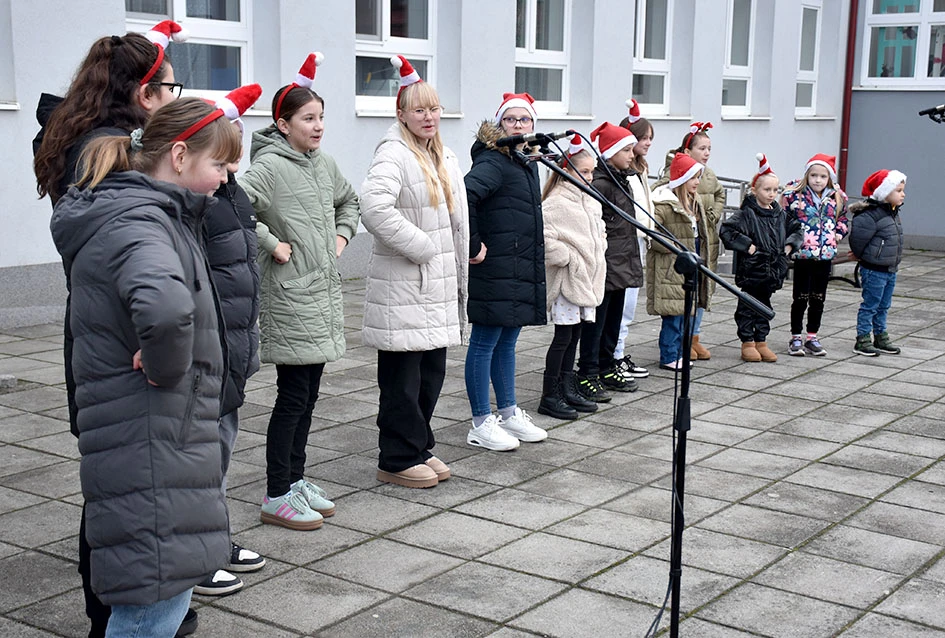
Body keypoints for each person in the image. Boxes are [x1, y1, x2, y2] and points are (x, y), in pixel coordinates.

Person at [49, 96, 243, 638]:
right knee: (151, 605)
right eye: (219, 164)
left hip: (153, 431)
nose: (226, 177)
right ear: (179, 156)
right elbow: (165, 309)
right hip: (150, 430)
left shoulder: (146, 213)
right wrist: (165, 365)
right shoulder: (140, 220)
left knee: (159, 591)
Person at [32, 20, 201, 637]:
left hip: (102, 329)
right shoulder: (111, 155)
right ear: (143, 92)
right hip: (123, 339)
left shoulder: (85, 140)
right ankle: (115, 615)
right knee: (120, 492)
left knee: (115, 486)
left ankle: (128, 607)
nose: (176, 97)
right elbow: (139, 257)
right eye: (170, 86)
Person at [240, 52, 359, 529]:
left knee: (308, 396)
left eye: (321, 117)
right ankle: (276, 492)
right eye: (308, 118)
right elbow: (232, 207)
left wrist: (341, 237)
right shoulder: (269, 166)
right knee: (291, 399)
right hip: (290, 298)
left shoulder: (322, 163)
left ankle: (295, 480)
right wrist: (272, 243)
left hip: (321, 296)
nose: (318, 126)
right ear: (282, 124)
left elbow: (350, 201)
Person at [360, 56, 469, 487]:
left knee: (430, 375)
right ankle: (397, 457)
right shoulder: (394, 153)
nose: (429, 116)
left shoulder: (441, 154)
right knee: (403, 380)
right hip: (406, 287)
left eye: (434, 108)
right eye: (419, 109)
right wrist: (421, 247)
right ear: (401, 113)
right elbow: (374, 207)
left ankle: (419, 445)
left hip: (435, 287)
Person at [193, 86, 268, 597]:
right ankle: (197, 556)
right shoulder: (197, 201)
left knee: (221, 448)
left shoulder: (231, 191)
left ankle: (215, 539)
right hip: (211, 343)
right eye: (226, 143)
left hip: (235, 342)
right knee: (201, 456)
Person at [464, 92, 549, 451]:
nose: (517, 125)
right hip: (494, 267)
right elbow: (465, 195)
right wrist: (473, 245)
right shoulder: (495, 161)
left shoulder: (525, 161)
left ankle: (509, 412)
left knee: (508, 342)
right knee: (485, 341)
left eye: (524, 119)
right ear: (499, 125)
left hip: (517, 267)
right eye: (510, 119)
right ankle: (481, 422)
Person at [538, 135, 606, 419]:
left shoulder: (590, 200)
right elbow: (544, 240)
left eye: (592, 172)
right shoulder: (556, 202)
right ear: (566, 169)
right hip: (568, 280)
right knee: (563, 337)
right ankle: (549, 395)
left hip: (586, 280)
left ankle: (567, 388)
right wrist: (570, 259)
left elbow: (599, 232)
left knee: (575, 335)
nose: (589, 177)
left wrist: (600, 247)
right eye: (583, 171)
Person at [574, 121, 640, 401]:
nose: (632, 155)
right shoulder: (601, 184)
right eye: (626, 150)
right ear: (611, 152)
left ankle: (606, 365)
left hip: (621, 262)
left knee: (613, 320)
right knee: (596, 323)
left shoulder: (621, 180)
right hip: (605, 264)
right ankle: (588, 371)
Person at [720, 154, 803, 363]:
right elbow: (727, 230)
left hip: (773, 270)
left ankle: (761, 340)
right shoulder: (747, 213)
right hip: (752, 270)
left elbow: (796, 229)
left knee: (765, 306)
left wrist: (789, 245)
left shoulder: (779, 214)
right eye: (767, 190)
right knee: (747, 306)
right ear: (755, 190)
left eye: (775, 190)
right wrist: (747, 246)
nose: (772, 194)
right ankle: (747, 341)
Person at [654, 121, 725, 360]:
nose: (707, 153)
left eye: (709, 149)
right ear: (688, 150)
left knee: (698, 295)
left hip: (701, 243)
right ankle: (673, 350)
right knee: (676, 306)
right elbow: (657, 216)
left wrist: (712, 216)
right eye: (702, 148)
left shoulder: (708, 175)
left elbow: (719, 194)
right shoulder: (671, 179)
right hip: (680, 249)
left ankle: (691, 340)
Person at [781, 154, 849, 356]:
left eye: (822, 176)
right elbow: (785, 219)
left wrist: (839, 233)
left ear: (829, 178)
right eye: (813, 175)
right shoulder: (795, 196)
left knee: (818, 298)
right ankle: (795, 336)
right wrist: (789, 241)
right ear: (807, 176)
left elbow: (843, 219)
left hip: (824, 255)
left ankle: (812, 336)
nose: (818, 180)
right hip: (803, 254)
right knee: (800, 297)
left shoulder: (837, 197)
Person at [647, 153, 707, 371]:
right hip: (672, 268)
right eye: (693, 178)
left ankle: (679, 353)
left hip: (689, 265)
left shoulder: (694, 202)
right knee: (673, 316)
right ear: (681, 179)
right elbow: (652, 233)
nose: (697, 182)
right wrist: (672, 247)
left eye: (698, 177)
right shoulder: (664, 205)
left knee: (684, 314)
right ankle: (669, 355)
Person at [613, 98, 654, 382]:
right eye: (643, 138)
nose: (648, 143)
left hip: (637, 242)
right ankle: (614, 356)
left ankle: (619, 353)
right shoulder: (622, 173)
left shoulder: (640, 169)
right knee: (622, 306)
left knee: (629, 307)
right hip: (625, 245)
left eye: (650, 138)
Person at [849, 169, 907, 357]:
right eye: (898, 190)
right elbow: (858, 240)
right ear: (884, 193)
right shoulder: (871, 215)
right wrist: (864, 257)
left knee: (884, 305)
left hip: (890, 269)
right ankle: (862, 339)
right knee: (870, 305)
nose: (903, 194)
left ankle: (880, 336)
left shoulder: (892, 213)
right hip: (874, 270)